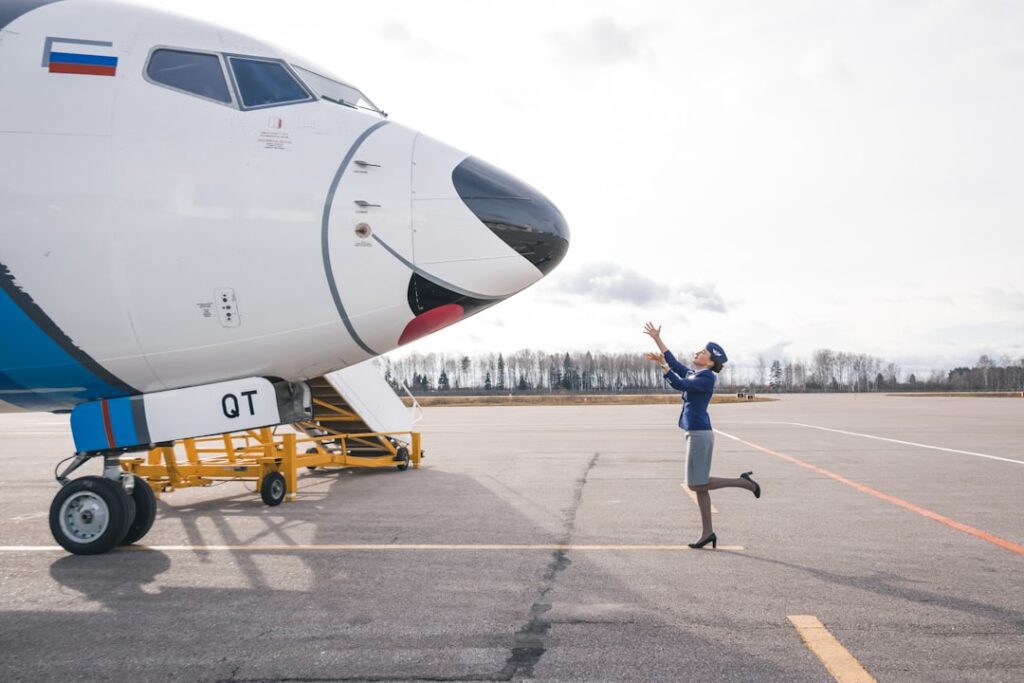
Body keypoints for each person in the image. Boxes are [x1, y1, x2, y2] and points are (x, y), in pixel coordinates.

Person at [643, 322, 760, 549]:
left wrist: (664, 368)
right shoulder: (698, 373)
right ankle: (708, 532)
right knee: (699, 485)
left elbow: (679, 383)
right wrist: (657, 340)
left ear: (711, 361)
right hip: (695, 432)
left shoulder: (706, 378)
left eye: (702, 352)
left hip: (700, 434)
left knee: (695, 484)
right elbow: (675, 364)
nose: (697, 352)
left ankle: (743, 482)